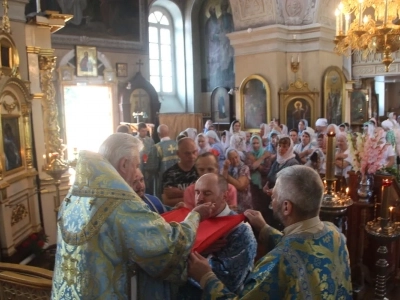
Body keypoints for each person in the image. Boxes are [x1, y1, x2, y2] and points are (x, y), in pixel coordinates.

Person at [51, 133, 215, 300]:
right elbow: (168, 246)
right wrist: (195, 216)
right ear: (124, 164)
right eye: (136, 165)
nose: (138, 172)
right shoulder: (121, 203)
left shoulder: (75, 197)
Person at [188, 165, 353, 300]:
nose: (271, 200)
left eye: (274, 197)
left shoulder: (276, 262)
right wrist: (265, 229)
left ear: (287, 207)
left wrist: (206, 277)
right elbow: (303, 248)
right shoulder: (334, 232)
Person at [178, 174, 256, 299]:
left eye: (207, 193)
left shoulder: (240, 230)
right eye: (197, 192)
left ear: (224, 196)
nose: (199, 198)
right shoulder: (191, 222)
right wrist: (200, 250)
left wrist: (189, 257)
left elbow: (230, 281)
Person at [162, 138, 198, 206]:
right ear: (178, 154)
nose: (192, 156)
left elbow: (205, 198)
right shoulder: (170, 174)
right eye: (187, 153)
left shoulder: (200, 170)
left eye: (194, 152)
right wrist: (193, 196)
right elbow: (166, 201)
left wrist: (181, 193)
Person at [145, 124, 179, 198]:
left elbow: (151, 168)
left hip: (163, 182)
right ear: (168, 132)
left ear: (158, 134)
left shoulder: (156, 147)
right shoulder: (177, 144)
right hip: (178, 179)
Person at [136, 122, 154, 193]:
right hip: (139, 164)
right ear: (138, 131)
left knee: (149, 184)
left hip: (148, 165)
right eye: (143, 131)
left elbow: (152, 152)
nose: (145, 133)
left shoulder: (150, 140)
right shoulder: (134, 140)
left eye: (146, 131)